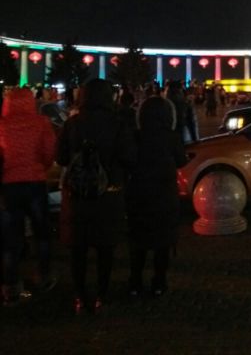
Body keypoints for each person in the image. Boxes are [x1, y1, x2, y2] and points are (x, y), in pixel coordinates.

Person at [57, 79, 136, 314]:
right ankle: (102, 294)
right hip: (108, 194)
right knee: (105, 248)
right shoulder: (117, 124)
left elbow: (60, 157)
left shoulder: (72, 124)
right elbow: (129, 157)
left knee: (78, 250)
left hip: (78, 194)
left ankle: (80, 296)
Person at [0, 88, 57, 306]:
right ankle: (43, 276)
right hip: (35, 182)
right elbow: (49, 151)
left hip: (10, 185)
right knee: (41, 233)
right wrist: (41, 167)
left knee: (11, 238)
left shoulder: (2, 125)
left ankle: (11, 286)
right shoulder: (41, 123)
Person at [126, 96, 187, 297]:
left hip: (139, 192)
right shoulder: (171, 137)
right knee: (163, 241)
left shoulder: (136, 136)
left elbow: (128, 160)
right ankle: (159, 282)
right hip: (164, 193)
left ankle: (135, 282)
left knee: (138, 240)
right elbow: (181, 161)